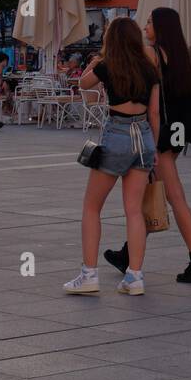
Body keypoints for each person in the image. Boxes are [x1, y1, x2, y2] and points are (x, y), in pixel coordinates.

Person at [104, 8, 191, 284]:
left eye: (150, 22)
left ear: (161, 26)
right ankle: (127, 254)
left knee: (174, 196)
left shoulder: (153, 53)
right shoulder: (181, 56)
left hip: (161, 132)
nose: (145, 26)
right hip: (178, 131)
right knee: (153, 194)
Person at [64, 16, 160, 295]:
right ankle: (135, 277)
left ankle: (89, 274)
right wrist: (153, 147)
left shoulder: (108, 66)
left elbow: (83, 84)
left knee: (92, 207)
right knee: (134, 210)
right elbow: (154, 112)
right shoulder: (150, 68)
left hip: (117, 132)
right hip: (143, 136)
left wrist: (95, 63)